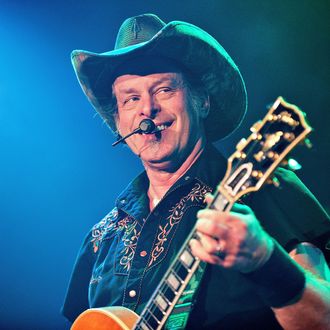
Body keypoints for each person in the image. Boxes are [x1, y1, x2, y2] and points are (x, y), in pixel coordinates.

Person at [62, 13, 330, 329]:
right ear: (119, 122)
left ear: (201, 100)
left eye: (163, 90)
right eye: (131, 98)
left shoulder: (263, 189)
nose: (147, 109)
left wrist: (264, 260)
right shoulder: (101, 238)